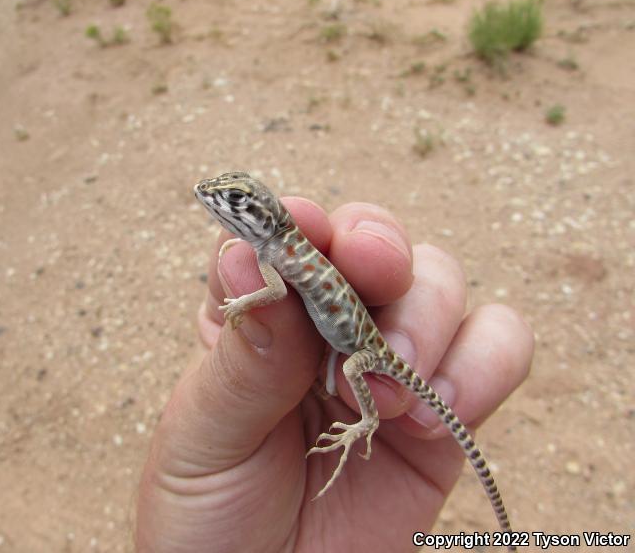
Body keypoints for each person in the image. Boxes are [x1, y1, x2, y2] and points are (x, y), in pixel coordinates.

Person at [136, 197, 533, 552]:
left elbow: (273, 293)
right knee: (335, 375)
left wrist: (242, 302)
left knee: (349, 367)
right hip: (340, 344)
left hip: (360, 348)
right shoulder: (270, 249)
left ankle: (368, 419)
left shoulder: (276, 250)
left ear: (264, 216)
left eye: (235, 200)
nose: (218, 202)